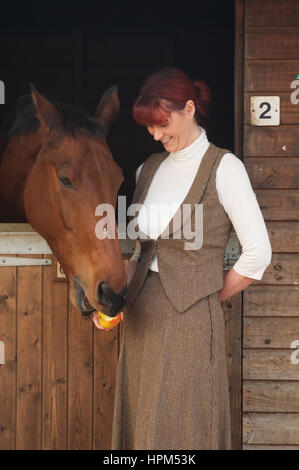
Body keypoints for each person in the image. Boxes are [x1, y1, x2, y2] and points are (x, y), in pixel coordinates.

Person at [93, 67, 272, 449]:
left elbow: (258, 253)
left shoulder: (225, 168)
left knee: (186, 425)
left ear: (189, 109)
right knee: (142, 422)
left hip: (192, 320)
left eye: (162, 123)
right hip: (141, 318)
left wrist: (209, 297)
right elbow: (142, 249)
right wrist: (116, 299)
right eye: (149, 128)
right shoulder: (148, 169)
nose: (156, 135)